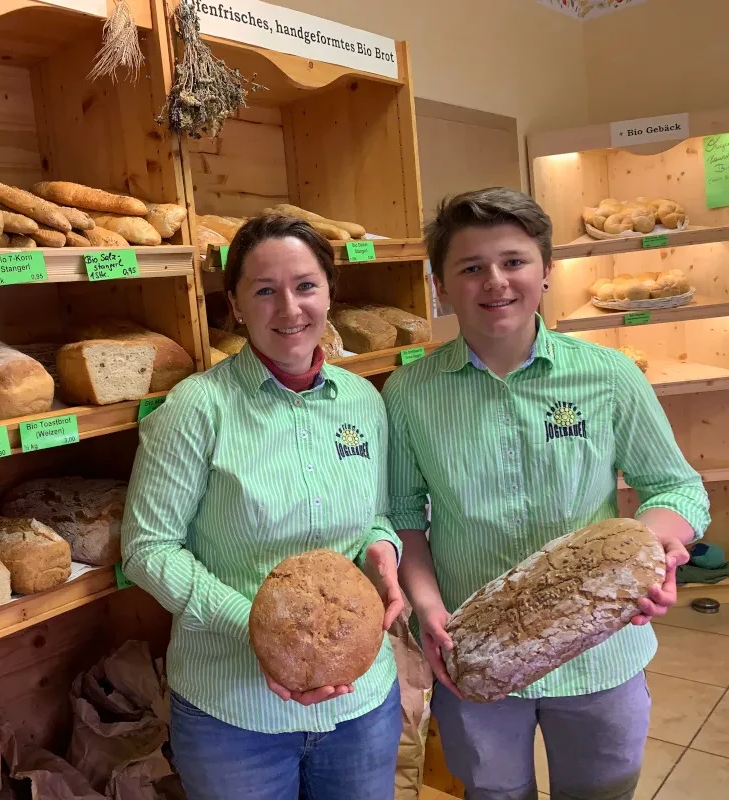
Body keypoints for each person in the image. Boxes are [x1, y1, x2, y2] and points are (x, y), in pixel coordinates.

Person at [382, 187, 711, 800]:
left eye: (514, 261)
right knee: (494, 794)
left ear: (547, 271)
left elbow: (675, 487)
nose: (495, 282)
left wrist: (656, 551)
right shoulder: (408, 393)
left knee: (601, 793)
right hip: (475, 652)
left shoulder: (606, 375)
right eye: (471, 267)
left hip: (603, 649)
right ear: (441, 286)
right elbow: (404, 520)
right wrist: (428, 609)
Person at [120, 215, 405, 800]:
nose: (289, 309)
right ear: (236, 304)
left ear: (329, 293)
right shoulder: (196, 408)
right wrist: (256, 629)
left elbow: (377, 513)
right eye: (265, 290)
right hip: (234, 713)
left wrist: (384, 549)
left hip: (360, 704)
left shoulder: (362, 401)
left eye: (305, 286)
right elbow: (147, 549)